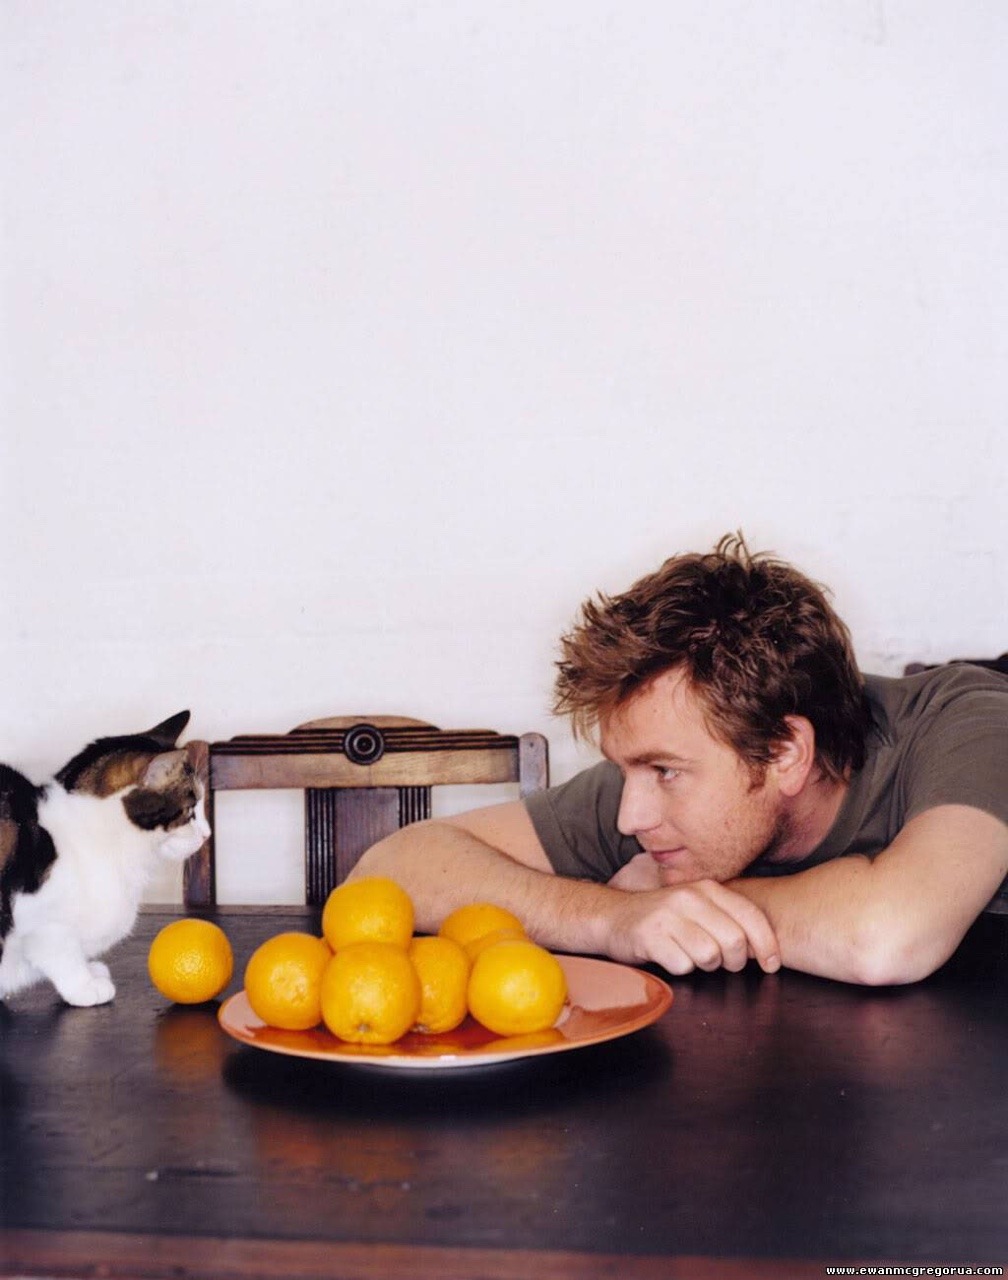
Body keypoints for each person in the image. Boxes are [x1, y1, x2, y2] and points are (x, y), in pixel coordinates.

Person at [353, 534, 1008, 985]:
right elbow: (387, 874)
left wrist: (681, 901)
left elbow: (890, 938)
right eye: (628, 769)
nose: (630, 817)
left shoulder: (972, 723)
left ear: (785, 753)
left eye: (664, 772)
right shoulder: (664, 769)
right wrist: (614, 919)